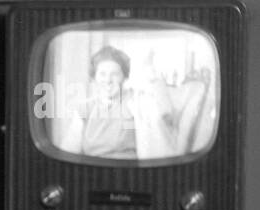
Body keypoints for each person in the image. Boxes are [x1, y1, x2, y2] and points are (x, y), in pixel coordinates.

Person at [63, 44, 209, 160]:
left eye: (115, 74)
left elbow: (166, 110)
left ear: (124, 78)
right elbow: (68, 150)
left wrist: (151, 72)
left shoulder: (136, 101)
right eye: (102, 74)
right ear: (94, 78)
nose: (108, 80)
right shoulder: (85, 108)